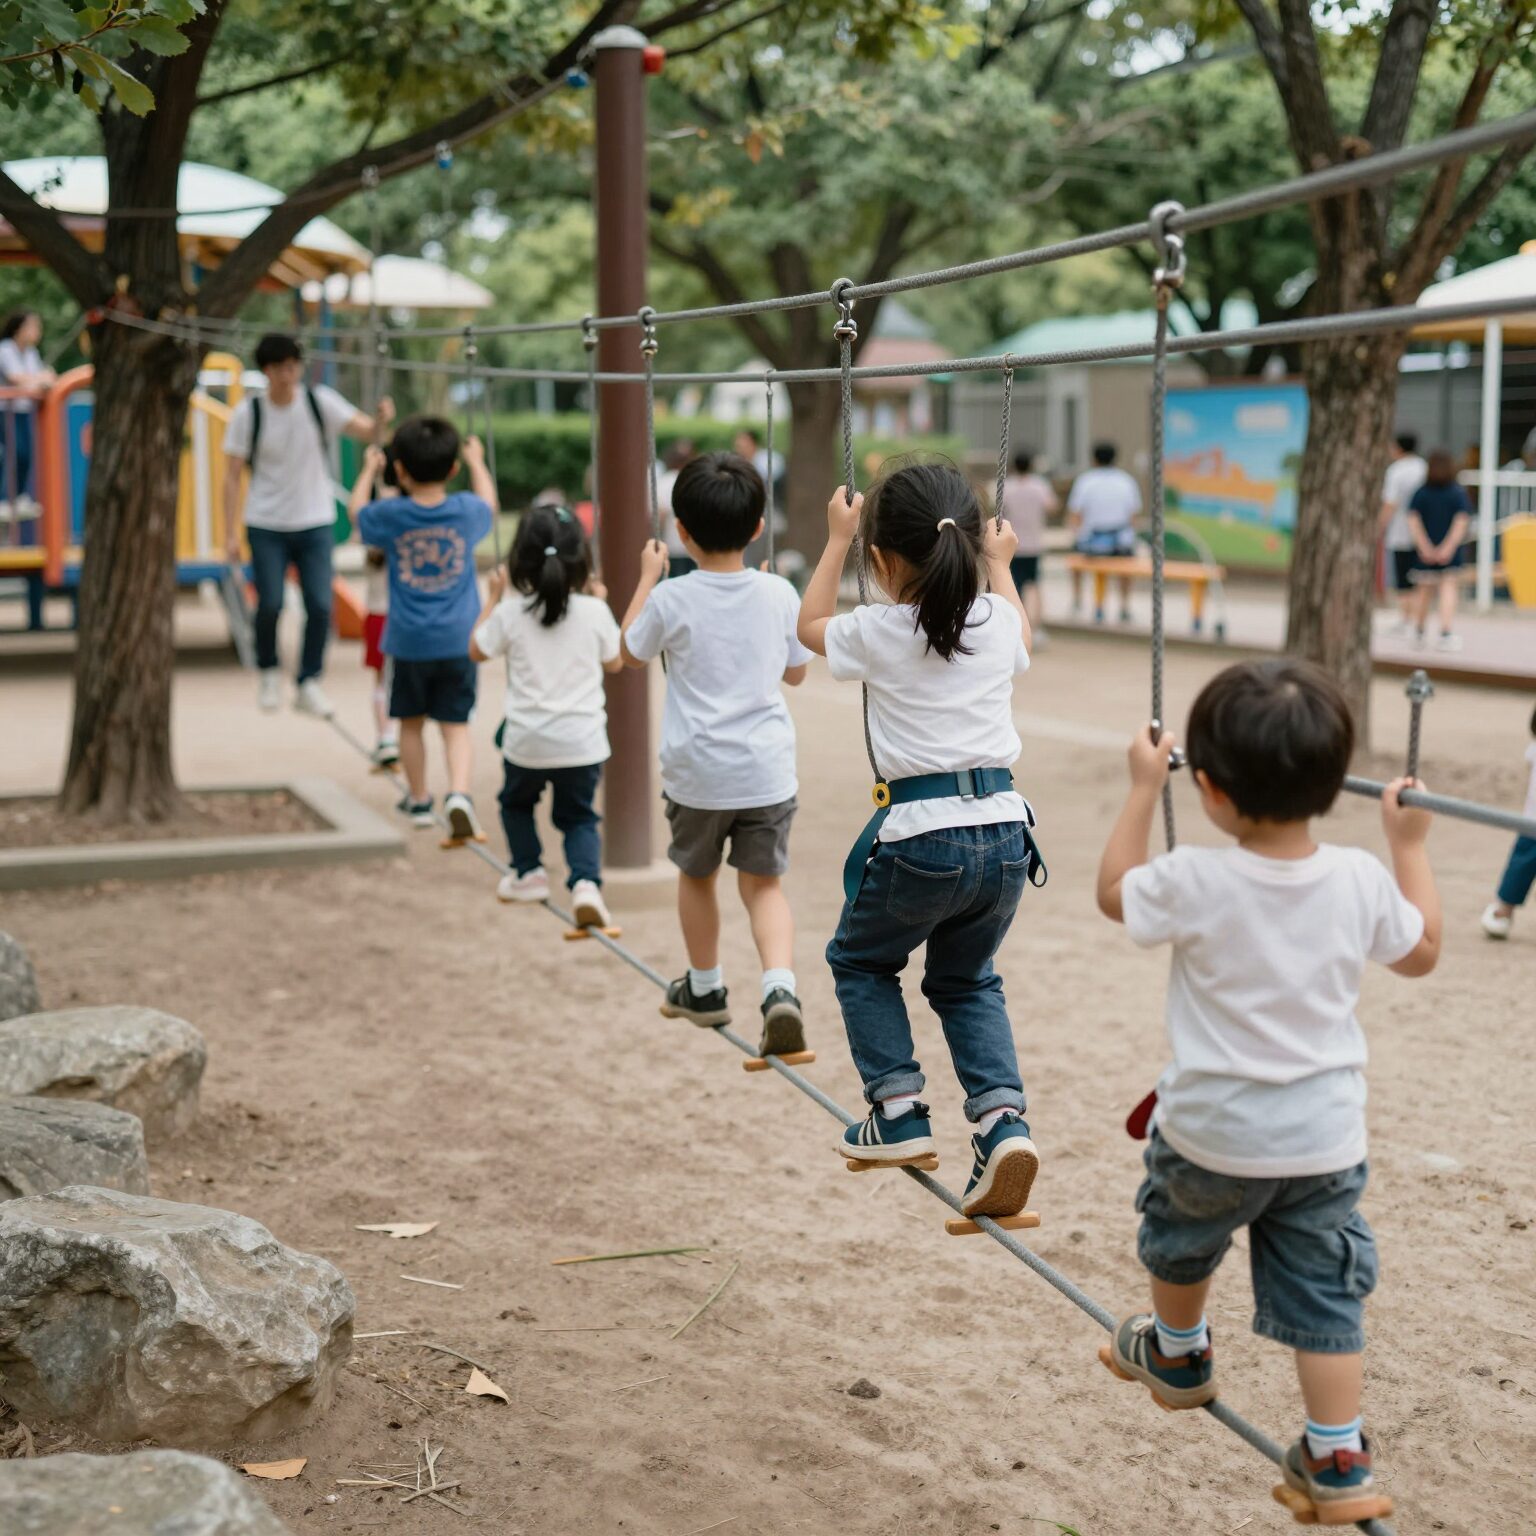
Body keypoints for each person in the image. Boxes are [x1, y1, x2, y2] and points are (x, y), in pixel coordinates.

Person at [1095, 659, 1440, 1528]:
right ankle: (1337, 1454)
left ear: (1208, 790)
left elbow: (1111, 895)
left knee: (1178, 1237)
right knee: (1327, 1294)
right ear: (1331, 785)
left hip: (1210, 1134)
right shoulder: (1362, 877)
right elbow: (1424, 949)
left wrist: (1141, 790)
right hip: (1324, 1144)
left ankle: (1177, 1353)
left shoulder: (1195, 880)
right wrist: (1410, 847)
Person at [796, 462, 1042, 1222]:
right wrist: (1002, 567)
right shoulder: (998, 620)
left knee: (861, 960)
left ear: (882, 560)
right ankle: (1003, 1124)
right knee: (967, 980)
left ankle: (899, 1110)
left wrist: (835, 542)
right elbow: (1021, 630)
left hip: (922, 837)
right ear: (969, 546)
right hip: (1005, 831)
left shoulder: (880, 629)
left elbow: (804, 631)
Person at [620, 451, 813, 1061]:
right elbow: (797, 675)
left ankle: (705, 988)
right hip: (765, 770)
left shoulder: (672, 598)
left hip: (698, 771)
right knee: (764, 886)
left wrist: (647, 578)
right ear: (758, 527)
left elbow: (627, 653)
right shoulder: (779, 591)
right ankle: (780, 989)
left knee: (697, 875)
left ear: (680, 532)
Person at [224, 333, 392, 716]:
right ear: (267, 371)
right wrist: (229, 533)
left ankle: (308, 681)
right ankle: (268, 670)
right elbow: (231, 475)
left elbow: (368, 432)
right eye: (283, 367)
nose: (291, 373)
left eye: (295, 365)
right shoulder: (248, 414)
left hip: (314, 520)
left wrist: (381, 419)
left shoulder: (320, 402)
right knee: (270, 603)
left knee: (319, 605)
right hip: (265, 522)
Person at [470, 505, 622, 928]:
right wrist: (601, 603)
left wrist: (493, 598)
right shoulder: (593, 612)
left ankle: (529, 871)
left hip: (527, 742)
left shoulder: (511, 613)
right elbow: (614, 662)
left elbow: (476, 650)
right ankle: (586, 885)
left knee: (515, 805)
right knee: (578, 818)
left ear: (520, 560)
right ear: (581, 562)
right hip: (582, 742)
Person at [354, 417, 494, 841]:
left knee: (410, 724)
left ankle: (418, 799)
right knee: (455, 725)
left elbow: (355, 513)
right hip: (458, 639)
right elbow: (488, 501)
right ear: (452, 470)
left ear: (400, 470)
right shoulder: (466, 511)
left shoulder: (393, 514)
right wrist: (478, 462)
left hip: (410, 641)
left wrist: (367, 470)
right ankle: (460, 794)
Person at [1067, 442, 1141, 622]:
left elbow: (1075, 514)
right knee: (1126, 564)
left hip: (1092, 541)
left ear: (1094, 459)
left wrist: (1075, 534)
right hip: (1119, 541)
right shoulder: (1126, 480)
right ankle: (1124, 604)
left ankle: (1078, 599)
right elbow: (1133, 515)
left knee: (1076, 557)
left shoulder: (1085, 480)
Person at [1407, 448, 1472, 652]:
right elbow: (1461, 521)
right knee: (1448, 590)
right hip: (1449, 552)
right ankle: (1445, 633)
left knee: (1423, 591)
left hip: (1425, 551)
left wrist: (1425, 546)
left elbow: (1413, 520)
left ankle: (1418, 631)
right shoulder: (1457, 492)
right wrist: (1448, 548)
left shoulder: (1421, 492)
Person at [1480, 703, 1536, 940]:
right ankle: (1503, 911)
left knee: (1521, 864)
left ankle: (1503, 911)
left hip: (1531, 822)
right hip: (1532, 823)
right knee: (1521, 866)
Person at [0, 310, 57, 519]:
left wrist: (42, 379)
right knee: (15, 452)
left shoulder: (31, 353)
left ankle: (20, 496)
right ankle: (5, 498)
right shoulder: (5, 349)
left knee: (26, 454)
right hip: (5, 411)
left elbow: (42, 378)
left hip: (23, 410)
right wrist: (40, 379)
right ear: (19, 328)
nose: (37, 332)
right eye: (33, 326)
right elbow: (18, 378)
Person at [998, 449, 1058, 641]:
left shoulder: (1007, 487)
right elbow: (1052, 506)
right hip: (1034, 544)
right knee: (1034, 585)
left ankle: (1016, 626)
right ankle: (1036, 628)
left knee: (1014, 587)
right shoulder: (1039, 485)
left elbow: (998, 511)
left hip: (1013, 544)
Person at [1378, 432, 1426, 636]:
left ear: (1398, 448)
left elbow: (1391, 502)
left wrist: (1379, 525)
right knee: (1418, 578)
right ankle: (1416, 621)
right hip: (1424, 533)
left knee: (1402, 579)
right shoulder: (1423, 467)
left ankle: (1406, 619)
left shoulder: (1396, 470)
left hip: (1399, 531)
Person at [656, 439, 698, 577]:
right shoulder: (695, 479)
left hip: (673, 544)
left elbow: (660, 514)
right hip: (696, 544)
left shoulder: (666, 480)